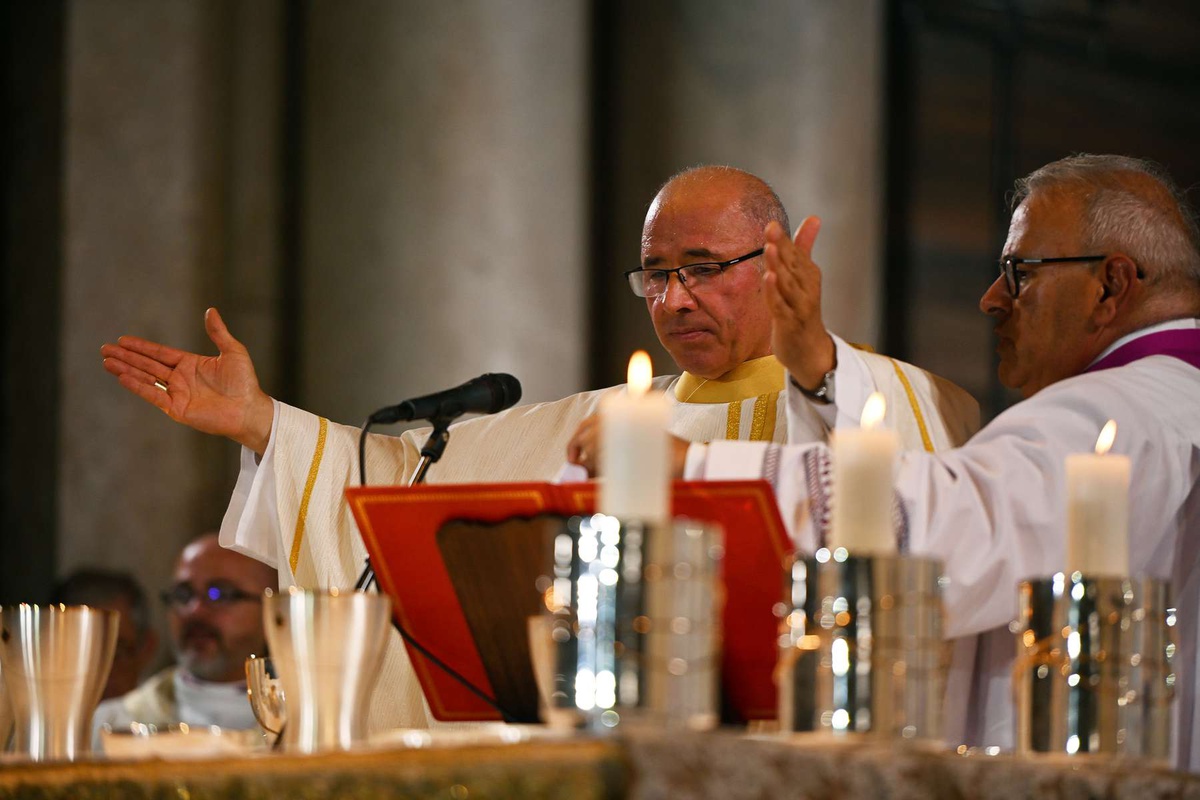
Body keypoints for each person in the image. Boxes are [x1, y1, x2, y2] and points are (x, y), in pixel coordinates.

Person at [99, 165, 980, 729]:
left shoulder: (873, 395)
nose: (673, 301)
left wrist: (817, 357)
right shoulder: (609, 422)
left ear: (779, 258)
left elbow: (913, 494)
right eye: (655, 275)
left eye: (703, 268)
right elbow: (412, 487)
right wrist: (261, 423)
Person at [684, 154, 1200, 768]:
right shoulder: (1172, 399)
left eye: (1020, 272)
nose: (991, 300)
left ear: (1110, 285)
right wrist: (823, 373)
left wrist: (690, 472)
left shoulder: (1121, 416)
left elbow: (943, 536)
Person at [92, 533, 277, 737]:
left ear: (273, 610)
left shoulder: (301, 723)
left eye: (220, 594)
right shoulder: (113, 725)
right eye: (183, 594)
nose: (194, 611)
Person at [52, 569, 159, 701]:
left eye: (114, 654)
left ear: (146, 649)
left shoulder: (165, 718)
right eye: (80, 654)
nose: (97, 676)